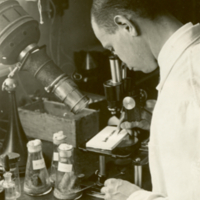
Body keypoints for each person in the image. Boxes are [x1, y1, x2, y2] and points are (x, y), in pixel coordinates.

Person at [91, 0, 200, 200]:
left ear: (126, 25)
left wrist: (132, 196)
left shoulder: (185, 90)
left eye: (112, 48)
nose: (119, 60)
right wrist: (164, 126)